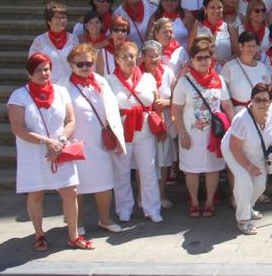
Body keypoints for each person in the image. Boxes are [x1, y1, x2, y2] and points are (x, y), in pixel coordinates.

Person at [9, 53, 89, 251]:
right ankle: (39, 234)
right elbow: (18, 128)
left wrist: (60, 142)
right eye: (39, 70)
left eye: (47, 69)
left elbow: (70, 120)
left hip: (60, 149)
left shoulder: (61, 91)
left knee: (70, 191)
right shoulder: (19, 96)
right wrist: (47, 142)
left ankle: (74, 236)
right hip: (34, 152)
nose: (44, 73)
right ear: (29, 73)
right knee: (36, 193)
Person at [65, 43, 125, 233]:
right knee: (76, 185)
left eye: (88, 63)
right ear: (71, 64)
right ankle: (77, 222)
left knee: (104, 183)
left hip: (100, 140)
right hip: (76, 141)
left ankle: (105, 219)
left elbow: (112, 110)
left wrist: (116, 135)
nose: (84, 67)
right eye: (79, 64)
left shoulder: (101, 81)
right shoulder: (63, 84)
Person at [171, 37, 233, 218]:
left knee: (213, 168)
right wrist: (182, 133)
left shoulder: (218, 80)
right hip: (191, 133)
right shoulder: (184, 82)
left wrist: (233, 128)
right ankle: (195, 201)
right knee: (192, 169)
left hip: (213, 134)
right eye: (199, 57)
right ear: (192, 60)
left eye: (207, 57)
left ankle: (209, 202)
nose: (204, 61)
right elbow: (176, 110)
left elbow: (227, 104)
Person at [223, 82, 272, 234]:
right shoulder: (241, 119)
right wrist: (250, 167)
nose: (261, 103)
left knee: (260, 185)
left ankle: (248, 207)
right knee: (244, 180)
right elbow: (235, 148)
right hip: (234, 151)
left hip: (258, 151)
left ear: (271, 101)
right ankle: (243, 220)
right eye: (257, 100)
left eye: (265, 100)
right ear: (251, 100)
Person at [107, 41, 163, 223]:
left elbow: (155, 104)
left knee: (148, 170)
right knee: (121, 171)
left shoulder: (148, 78)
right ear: (117, 59)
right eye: (124, 56)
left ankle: (152, 208)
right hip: (121, 131)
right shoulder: (108, 80)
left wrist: (160, 126)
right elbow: (105, 109)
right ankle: (124, 208)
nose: (129, 60)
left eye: (132, 56)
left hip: (145, 131)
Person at [141, 40, 177, 208]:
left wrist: (167, 102)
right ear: (143, 57)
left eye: (156, 55)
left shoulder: (168, 72)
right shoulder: (137, 74)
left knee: (163, 161)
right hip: (143, 124)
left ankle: (161, 195)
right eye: (150, 56)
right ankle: (144, 196)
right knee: (144, 162)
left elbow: (178, 96)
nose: (153, 59)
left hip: (165, 122)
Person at [30, 1, 79, 85]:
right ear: (49, 21)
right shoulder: (39, 41)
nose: (62, 20)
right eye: (57, 17)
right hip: (48, 86)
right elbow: (31, 66)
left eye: (64, 17)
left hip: (70, 86)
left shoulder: (74, 39)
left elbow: (79, 63)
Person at [189, 0, 236, 68]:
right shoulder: (197, 29)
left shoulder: (229, 28)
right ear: (205, 9)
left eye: (219, 7)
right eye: (212, 7)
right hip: (203, 73)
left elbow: (237, 54)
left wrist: (226, 61)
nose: (216, 11)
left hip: (225, 71)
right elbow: (191, 53)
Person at [96, 16, 129, 82]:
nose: (120, 33)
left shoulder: (132, 51)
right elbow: (99, 77)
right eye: (116, 30)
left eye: (123, 30)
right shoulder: (103, 52)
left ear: (127, 33)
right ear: (111, 33)